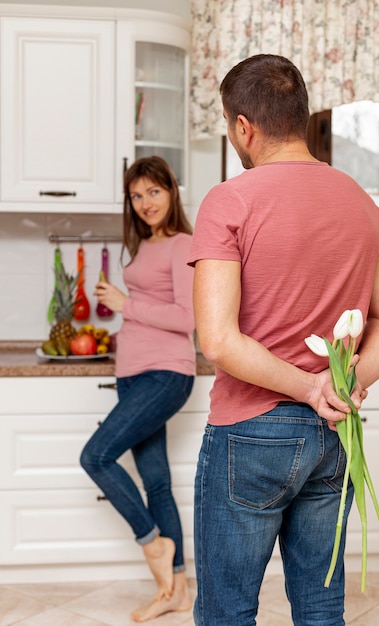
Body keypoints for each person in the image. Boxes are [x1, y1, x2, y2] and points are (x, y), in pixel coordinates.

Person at [188, 54, 379, 626]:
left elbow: (216, 339)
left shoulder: (230, 200)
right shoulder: (362, 203)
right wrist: (339, 387)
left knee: (226, 613)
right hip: (335, 437)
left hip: (252, 432)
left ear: (244, 126)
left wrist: (312, 387)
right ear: (302, 117)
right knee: (319, 610)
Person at [80, 156, 195, 623]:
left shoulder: (184, 244)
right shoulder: (144, 247)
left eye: (154, 191)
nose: (145, 202)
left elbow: (189, 320)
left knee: (96, 457)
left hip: (166, 373)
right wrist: (124, 317)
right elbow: (147, 309)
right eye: (136, 195)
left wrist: (129, 305)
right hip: (133, 372)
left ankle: (153, 544)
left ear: (171, 192)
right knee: (157, 482)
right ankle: (177, 591)